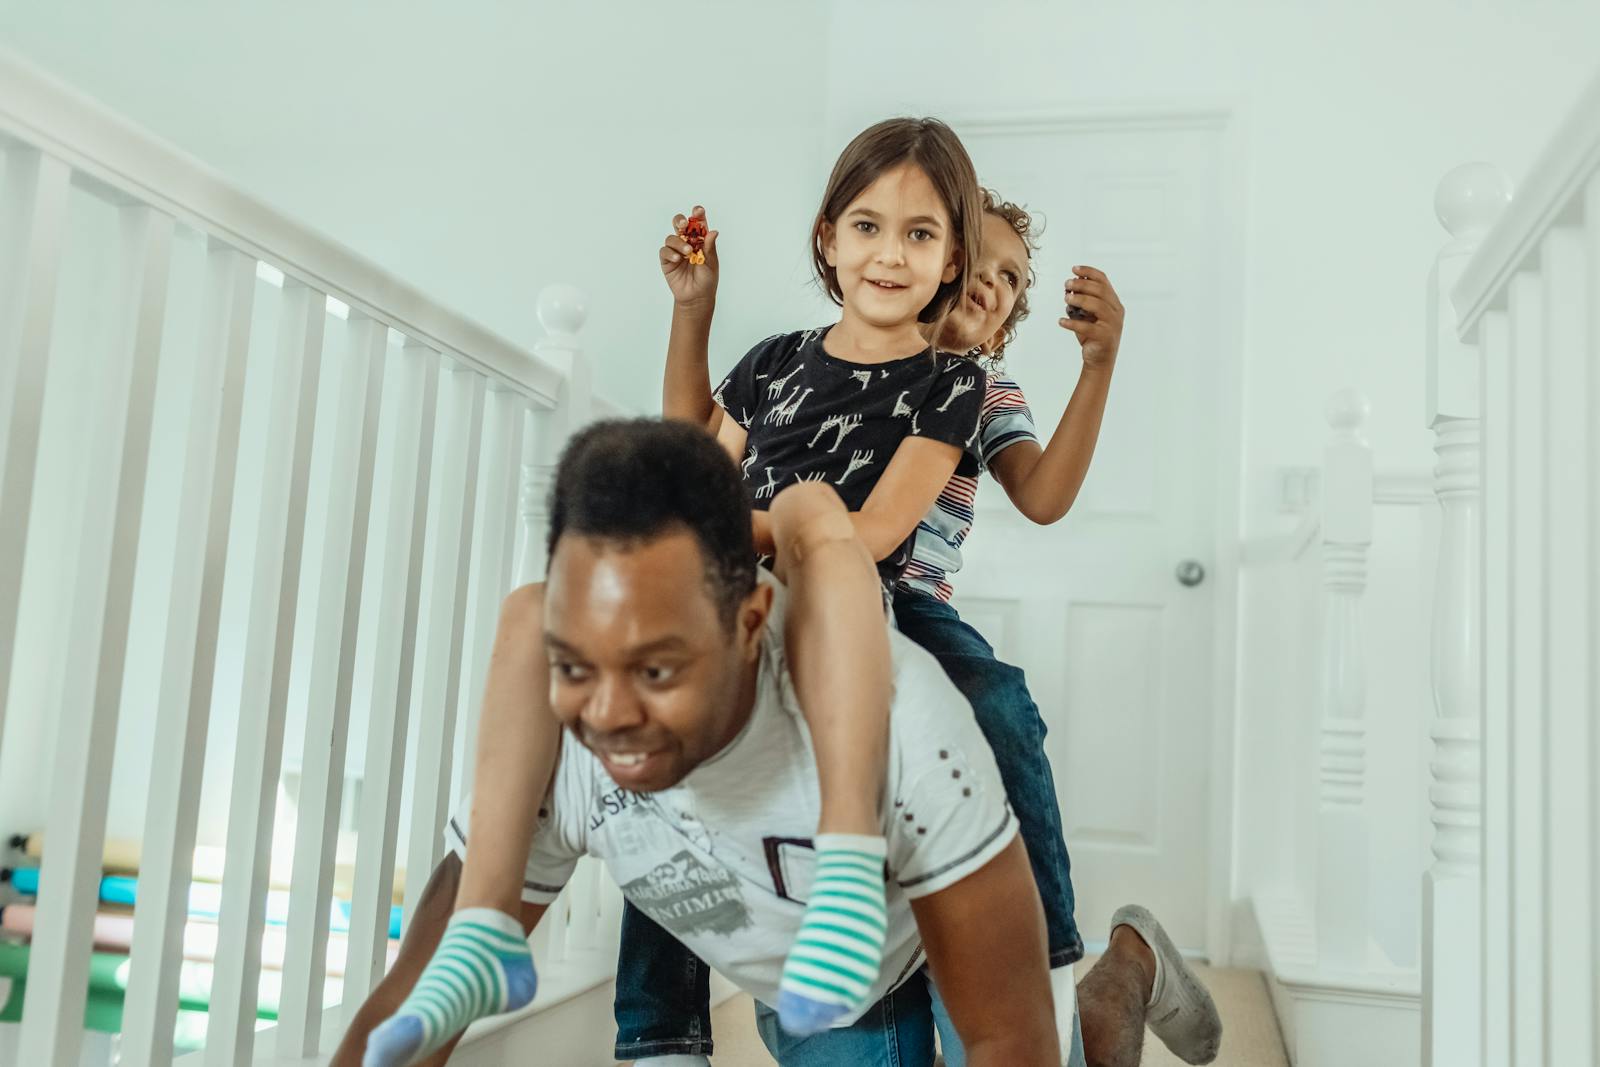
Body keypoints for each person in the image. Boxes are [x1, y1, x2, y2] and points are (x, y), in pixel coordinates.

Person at [360, 116, 990, 1065]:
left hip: (841, 610)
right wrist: (693, 310)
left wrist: (743, 526)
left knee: (818, 516)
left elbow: (877, 531)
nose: (890, 254)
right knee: (537, 614)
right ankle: (493, 934)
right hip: (732, 608)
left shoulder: (948, 383)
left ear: (951, 261)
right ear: (827, 238)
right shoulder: (774, 362)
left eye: (919, 234)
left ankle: (849, 867)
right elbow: (694, 459)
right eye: (867, 226)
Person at [639, 190, 1222, 1067]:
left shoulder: (978, 386)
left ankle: (1060, 961)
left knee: (995, 704)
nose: (992, 282)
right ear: (936, 265)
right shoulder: (807, 366)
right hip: (786, 597)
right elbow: (699, 448)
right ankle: (666, 1030)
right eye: (979, 259)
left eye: (1012, 279)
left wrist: (1098, 365)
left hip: (909, 602)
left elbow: (1044, 495)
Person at [334, 418, 1060, 1067]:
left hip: (913, 929)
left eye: (656, 670)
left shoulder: (910, 728)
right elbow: (404, 1013)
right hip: (810, 987)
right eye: (575, 665)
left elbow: (1009, 1036)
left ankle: (1113, 971)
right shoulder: (550, 736)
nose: (609, 715)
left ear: (751, 623)